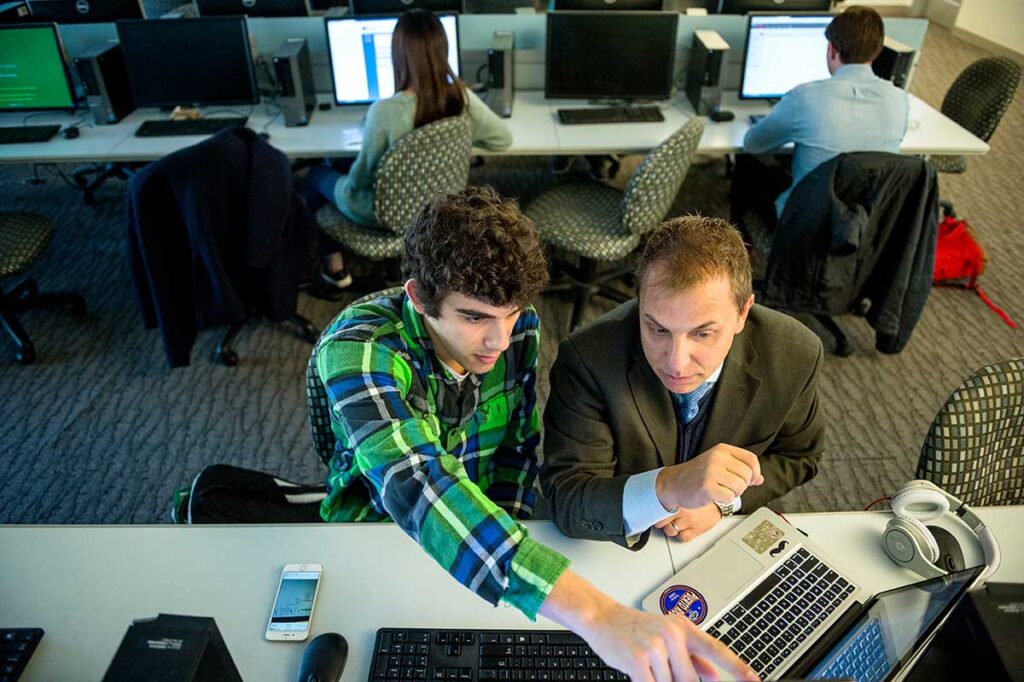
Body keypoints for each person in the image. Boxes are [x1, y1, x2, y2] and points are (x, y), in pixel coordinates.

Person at [316, 188, 757, 681]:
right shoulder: (358, 349)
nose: (499, 341)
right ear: (419, 297)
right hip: (381, 534)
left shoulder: (518, 325)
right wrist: (597, 616)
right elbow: (421, 488)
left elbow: (518, 451)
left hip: (493, 536)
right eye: (474, 317)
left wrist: (513, 542)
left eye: (510, 315)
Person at [541, 216, 825, 548]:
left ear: (743, 313)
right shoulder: (587, 359)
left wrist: (722, 503)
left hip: (726, 535)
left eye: (703, 333)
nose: (676, 363)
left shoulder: (795, 354)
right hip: (618, 544)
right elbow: (569, 499)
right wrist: (668, 487)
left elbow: (799, 457)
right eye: (657, 329)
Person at [307, 9, 513, 289]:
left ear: (398, 56)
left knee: (316, 175)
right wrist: (452, 139)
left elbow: (360, 181)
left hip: (381, 213)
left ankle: (333, 267)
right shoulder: (460, 97)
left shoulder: (385, 111)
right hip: (438, 208)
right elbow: (502, 138)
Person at [739, 6, 908, 219]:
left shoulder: (805, 97)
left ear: (831, 49)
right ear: (877, 51)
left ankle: (739, 239)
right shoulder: (899, 100)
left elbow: (753, 144)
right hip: (867, 225)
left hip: (806, 226)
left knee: (747, 164)